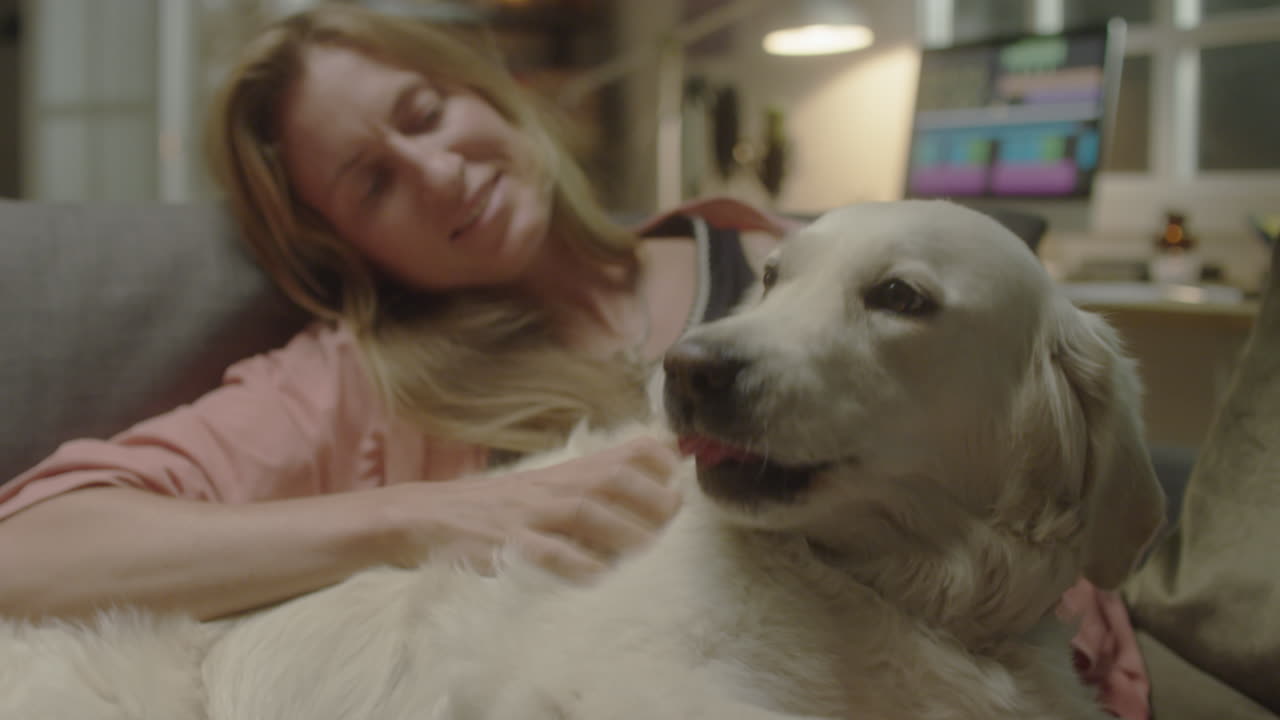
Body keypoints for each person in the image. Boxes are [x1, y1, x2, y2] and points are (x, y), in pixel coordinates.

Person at [0, 3, 795, 622]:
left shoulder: (771, 253)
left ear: (485, 93)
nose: (440, 172)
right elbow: (25, 555)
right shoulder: (355, 386)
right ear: (347, 248)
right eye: (373, 185)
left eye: (425, 115)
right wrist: (415, 519)